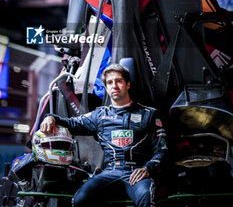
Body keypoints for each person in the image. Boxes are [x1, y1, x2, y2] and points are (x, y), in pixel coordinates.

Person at [40, 64, 168, 206]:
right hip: (109, 172)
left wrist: (147, 168)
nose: (114, 85)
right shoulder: (99, 116)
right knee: (79, 199)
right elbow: (70, 123)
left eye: (119, 81)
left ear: (128, 84)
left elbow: (162, 150)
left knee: (146, 195)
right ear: (106, 88)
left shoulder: (149, 114)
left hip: (136, 173)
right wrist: (51, 117)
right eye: (109, 82)